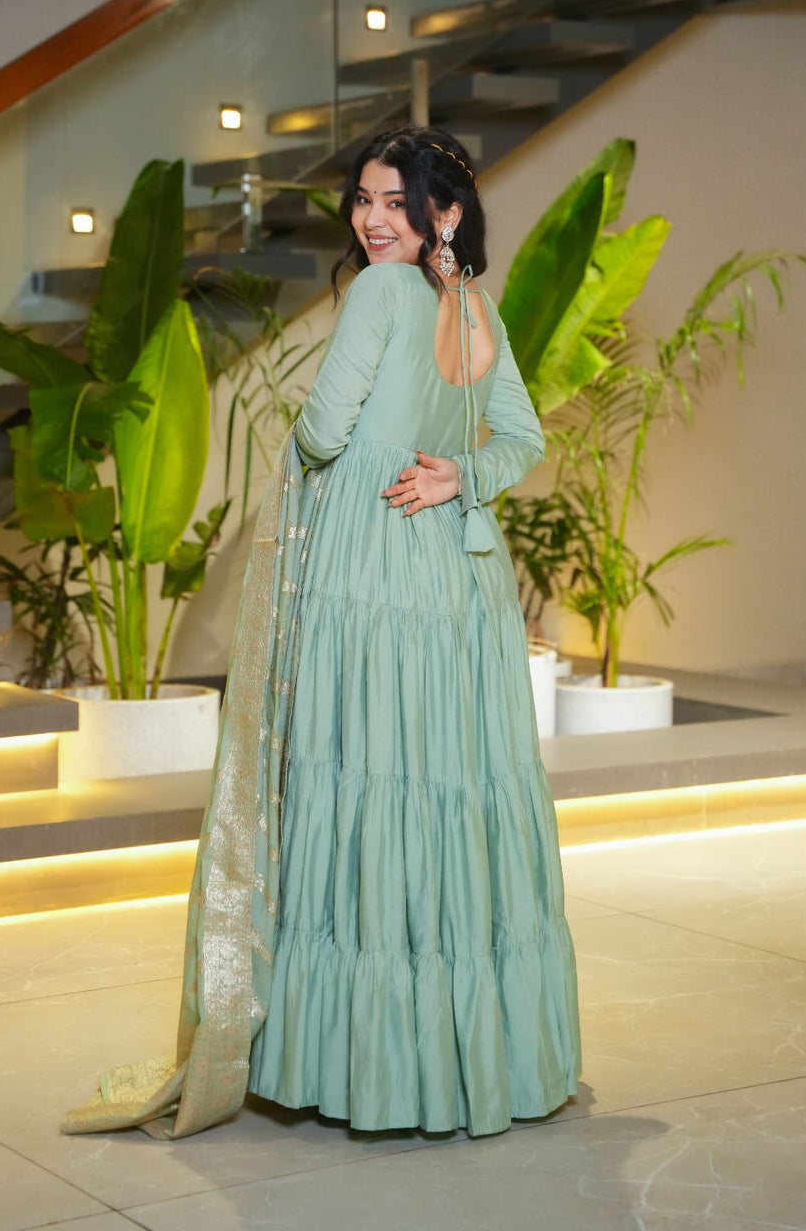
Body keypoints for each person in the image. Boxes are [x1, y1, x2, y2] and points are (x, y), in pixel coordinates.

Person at [62, 124, 581, 1142]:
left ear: (445, 213)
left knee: (364, 775)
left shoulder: (381, 294)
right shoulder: (475, 308)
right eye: (363, 199)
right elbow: (522, 437)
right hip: (459, 576)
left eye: (396, 202)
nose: (372, 220)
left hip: (369, 569)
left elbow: (325, 431)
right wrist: (459, 474)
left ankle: (362, 1065)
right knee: (447, 787)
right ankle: (467, 1061)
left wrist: (323, 444)